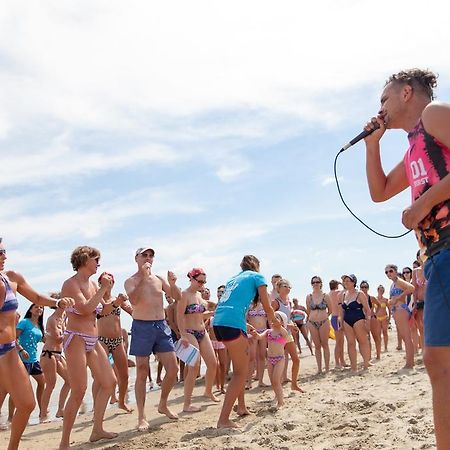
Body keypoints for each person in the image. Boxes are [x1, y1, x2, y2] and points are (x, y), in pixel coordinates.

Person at [363, 69, 450, 448]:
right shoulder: (415, 143)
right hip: (436, 256)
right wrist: (371, 146)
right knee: (439, 363)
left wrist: (423, 205)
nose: (379, 107)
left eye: (384, 99)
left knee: (439, 362)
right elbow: (379, 192)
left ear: (406, 94)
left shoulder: (433, 115)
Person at [0, 237, 74, 450]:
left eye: (4, 251)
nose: (4, 256)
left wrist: (57, 302)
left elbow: (37, 297)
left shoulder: (12, 277)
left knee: (26, 404)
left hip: (9, 351)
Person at [59, 246, 118, 450]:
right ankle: (64, 443)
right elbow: (84, 308)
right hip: (76, 338)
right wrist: (102, 289)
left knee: (110, 382)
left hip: (93, 339)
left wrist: (114, 300)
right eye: (96, 259)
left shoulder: (93, 283)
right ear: (84, 260)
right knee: (79, 390)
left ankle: (97, 429)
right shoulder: (70, 284)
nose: (98, 263)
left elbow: (101, 310)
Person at [213, 255, 279, 429]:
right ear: (256, 265)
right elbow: (267, 305)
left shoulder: (233, 279)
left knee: (239, 368)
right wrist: (275, 322)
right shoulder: (257, 277)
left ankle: (241, 406)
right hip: (231, 322)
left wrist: (245, 324)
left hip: (219, 322)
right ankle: (223, 419)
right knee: (241, 373)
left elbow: (231, 304)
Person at [124, 246, 179, 431]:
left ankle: (163, 404)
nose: (148, 258)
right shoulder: (131, 281)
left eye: (150, 256)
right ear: (136, 258)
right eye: (144, 255)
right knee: (141, 371)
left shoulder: (159, 279)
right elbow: (134, 300)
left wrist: (173, 282)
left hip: (161, 325)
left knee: (173, 369)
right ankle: (141, 416)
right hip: (142, 325)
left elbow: (176, 297)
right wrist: (143, 277)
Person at [175, 268, 219, 412]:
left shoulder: (199, 295)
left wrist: (212, 313)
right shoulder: (184, 294)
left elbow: (200, 315)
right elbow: (180, 316)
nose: (202, 284)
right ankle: (187, 404)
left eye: (204, 281)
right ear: (192, 279)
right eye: (200, 281)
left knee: (213, 364)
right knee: (194, 366)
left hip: (202, 331)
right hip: (189, 332)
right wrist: (182, 335)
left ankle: (208, 391)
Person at [96, 272, 134, 413]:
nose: (108, 283)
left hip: (117, 340)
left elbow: (132, 311)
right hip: (102, 341)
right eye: (105, 280)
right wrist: (117, 301)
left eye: (111, 280)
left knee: (124, 375)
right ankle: (97, 408)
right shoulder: (97, 298)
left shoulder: (117, 299)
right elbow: (103, 312)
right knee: (100, 378)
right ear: (100, 283)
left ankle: (122, 402)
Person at [39, 299, 70, 423]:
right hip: (48, 354)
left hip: (59, 354)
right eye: (64, 303)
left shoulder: (64, 318)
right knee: (51, 385)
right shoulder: (52, 319)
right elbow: (58, 339)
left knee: (69, 381)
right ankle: (43, 414)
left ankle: (60, 409)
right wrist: (73, 333)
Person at [251, 311, 289, 409]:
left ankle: (281, 402)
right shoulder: (268, 332)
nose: (274, 319)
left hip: (280, 359)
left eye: (277, 317)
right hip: (270, 360)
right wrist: (255, 333)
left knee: (276, 380)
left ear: (282, 321)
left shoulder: (282, 331)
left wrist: (278, 323)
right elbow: (259, 337)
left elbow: (285, 335)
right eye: (273, 317)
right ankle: (278, 395)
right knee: (273, 381)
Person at [15, 304, 46, 421]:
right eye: (36, 307)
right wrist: (21, 350)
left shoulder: (39, 326)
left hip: (34, 360)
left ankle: (42, 412)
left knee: (42, 383)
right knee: (19, 389)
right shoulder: (24, 322)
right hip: (22, 360)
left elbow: (45, 340)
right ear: (31, 310)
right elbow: (13, 338)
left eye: (41, 307)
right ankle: (10, 417)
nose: (39, 309)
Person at [272, 279, 303, 391]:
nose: (287, 288)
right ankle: (278, 388)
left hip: (287, 335)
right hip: (278, 336)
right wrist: (285, 326)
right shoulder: (276, 302)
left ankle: (294, 384)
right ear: (278, 288)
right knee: (280, 360)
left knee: (296, 359)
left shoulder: (289, 302)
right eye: (285, 286)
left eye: (289, 286)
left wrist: (292, 325)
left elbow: (287, 319)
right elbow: (271, 320)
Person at [338, 274, 371, 372]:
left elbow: (367, 309)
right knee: (350, 343)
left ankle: (366, 364)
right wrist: (341, 322)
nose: (346, 282)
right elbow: (341, 311)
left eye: (348, 281)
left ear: (353, 282)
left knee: (362, 341)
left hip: (358, 318)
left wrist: (368, 322)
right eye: (345, 281)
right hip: (347, 320)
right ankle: (354, 367)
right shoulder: (343, 295)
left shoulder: (359, 294)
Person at [385, 264, 415, 370]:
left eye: (391, 271)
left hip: (401, 309)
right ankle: (410, 361)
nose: (389, 273)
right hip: (396, 311)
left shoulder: (399, 281)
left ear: (396, 271)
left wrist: (398, 297)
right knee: (404, 336)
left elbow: (411, 288)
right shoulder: (393, 284)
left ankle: (410, 363)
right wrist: (390, 301)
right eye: (386, 272)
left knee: (406, 337)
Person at [306, 276, 331, 374]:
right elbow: (308, 310)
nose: (315, 284)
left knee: (325, 344)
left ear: (321, 283)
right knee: (317, 346)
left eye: (317, 282)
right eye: (313, 282)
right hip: (312, 322)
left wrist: (324, 317)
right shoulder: (309, 296)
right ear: (311, 284)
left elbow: (331, 309)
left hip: (324, 321)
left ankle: (327, 368)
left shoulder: (325, 296)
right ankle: (319, 368)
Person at [246, 298, 268, 388]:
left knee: (262, 356)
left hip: (263, 331)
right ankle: (249, 382)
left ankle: (261, 381)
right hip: (252, 332)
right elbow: (244, 320)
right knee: (251, 357)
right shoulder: (248, 305)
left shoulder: (265, 304)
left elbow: (269, 318)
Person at [359, 281, 382, 361]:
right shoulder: (358, 298)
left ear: (368, 288)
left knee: (376, 337)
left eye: (365, 287)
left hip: (372, 318)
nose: (364, 289)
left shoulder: (371, 298)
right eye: (362, 287)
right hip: (363, 319)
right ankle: (368, 357)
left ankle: (378, 355)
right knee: (366, 339)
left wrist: (375, 313)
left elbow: (379, 305)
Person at [328, 279, 347, 369]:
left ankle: (341, 361)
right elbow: (346, 290)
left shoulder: (328, 294)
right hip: (338, 317)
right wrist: (341, 284)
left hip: (333, 317)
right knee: (339, 341)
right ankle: (337, 362)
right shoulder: (338, 292)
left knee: (340, 341)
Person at [412, 251, 426, 351]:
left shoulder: (432, 266)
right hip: (420, 302)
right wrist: (415, 303)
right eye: (420, 255)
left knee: (433, 327)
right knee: (421, 328)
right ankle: (425, 352)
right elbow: (415, 289)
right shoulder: (415, 271)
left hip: (432, 302)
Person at [375, 285, 390, 352]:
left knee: (385, 332)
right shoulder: (375, 299)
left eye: (382, 290)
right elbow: (372, 309)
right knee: (378, 334)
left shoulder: (385, 300)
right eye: (380, 290)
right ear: (377, 290)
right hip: (377, 318)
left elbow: (389, 309)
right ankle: (379, 348)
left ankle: (386, 347)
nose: (381, 291)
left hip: (384, 317)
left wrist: (389, 318)